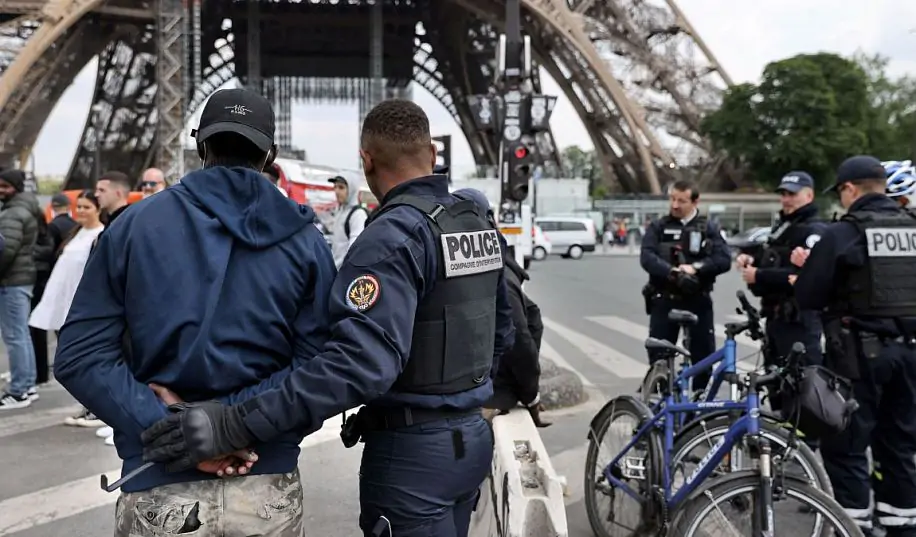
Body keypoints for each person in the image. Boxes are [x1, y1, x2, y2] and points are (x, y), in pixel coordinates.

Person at [140, 98, 516, 537]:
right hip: (469, 440)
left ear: (366, 160)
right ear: (432, 154)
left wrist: (232, 422)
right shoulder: (473, 224)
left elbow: (355, 366)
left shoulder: (390, 239)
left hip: (413, 454)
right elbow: (504, 329)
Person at [53, 87, 337, 536]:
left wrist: (174, 431)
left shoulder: (131, 226)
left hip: (158, 484)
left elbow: (79, 357)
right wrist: (227, 425)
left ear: (201, 144)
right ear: (271, 155)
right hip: (264, 476)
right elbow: (320, 364)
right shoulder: (306, 241)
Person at [793, 155, 916, 536]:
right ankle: (900, 528)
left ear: (849, 189)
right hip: (910, 353)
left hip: (859, 357)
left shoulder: (843, 233)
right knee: (899, 447)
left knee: (846, 449)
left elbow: (809, 297)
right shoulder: (913, 227)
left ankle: (851, 527)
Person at [452, 188, 550, 427]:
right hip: (490, 395)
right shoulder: (500, 272)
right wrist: (531, 395)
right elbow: (520, 341)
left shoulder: (451, 263)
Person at [639, 179, 731, 393]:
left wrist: (696, 268)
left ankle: (697, 406)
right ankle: (661, 404)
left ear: (695, 201)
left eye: (681, 200)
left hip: (697, 299)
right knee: (659, 356)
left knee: (703, 357)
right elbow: (647, 257)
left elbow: (723, 259)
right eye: (672, 199)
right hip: (665, 299)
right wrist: (672, 272)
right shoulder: (659, 227)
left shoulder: (708, 228)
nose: (675, 205)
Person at [736, 171, 826, 371]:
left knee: (802, 385)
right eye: (783, 194)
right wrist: (751, 260)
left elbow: (802, 277)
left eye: (792, 194)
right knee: (776, 385)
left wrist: (758, 274)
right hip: (776, 318)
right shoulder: (783, 227)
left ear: (809, 196)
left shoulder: (814, 230)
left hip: (799, 322)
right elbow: (772, 259)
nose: (786, 200)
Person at [0, 169, 41, 409]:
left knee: (15, 336)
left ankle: (19, 390)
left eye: (4, 186)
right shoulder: (25, 208)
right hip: (21, 278)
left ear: (15, 187)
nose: (1, 190)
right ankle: (27, 384)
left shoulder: (13, 213)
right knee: (21, 335)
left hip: (11, 281)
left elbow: (5, 251)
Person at [327, 173, 368, 268]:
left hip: (344, 273)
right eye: (335, 187)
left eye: (341, 187)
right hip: (335, 272)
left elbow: (354, 249)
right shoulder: (339, 211)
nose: (336, 191)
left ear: (351, 190)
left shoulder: (358, 214)